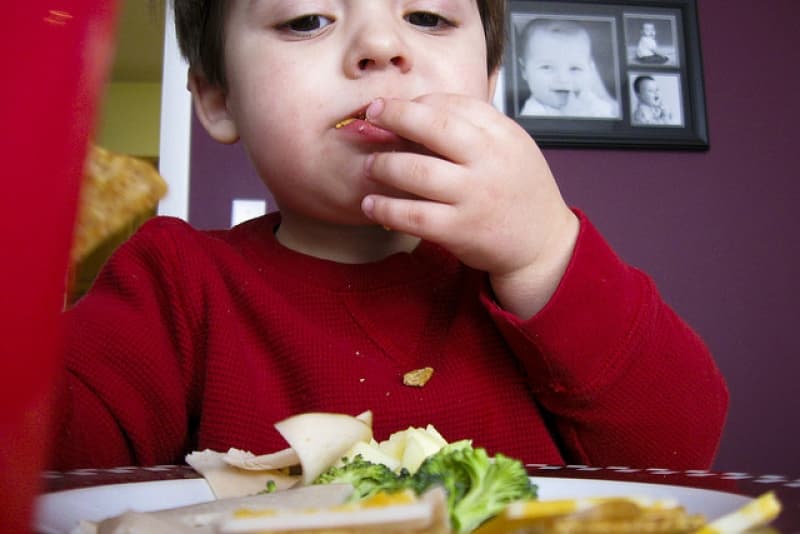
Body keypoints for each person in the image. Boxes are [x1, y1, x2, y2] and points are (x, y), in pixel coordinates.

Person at [51, 0, 728, 472]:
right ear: (218, 99)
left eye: (428, 17)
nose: (381, 46)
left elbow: (683, 447)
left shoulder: (535, 278)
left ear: (488, 83)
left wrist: (546, 251)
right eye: (306, 19)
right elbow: (39, 463)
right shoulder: (172, 283)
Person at [517, 18, 619, 118]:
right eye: (547, 67)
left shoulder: (591, 100)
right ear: (524, 70)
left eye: (575, 68)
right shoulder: (533, 113)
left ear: (591, 70)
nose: (563, 79)